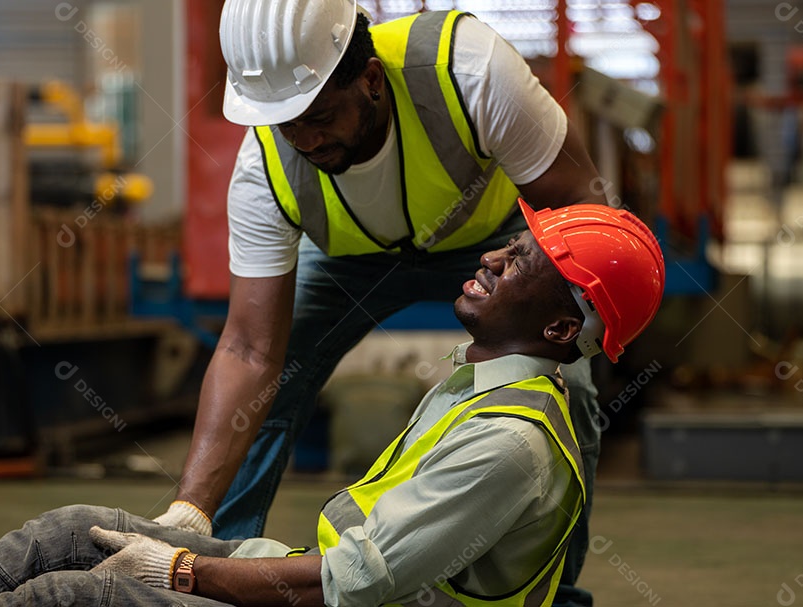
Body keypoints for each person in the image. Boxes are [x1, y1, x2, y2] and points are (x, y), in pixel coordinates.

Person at [0, 203, 664, 607]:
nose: (491, 254)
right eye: (509, 242)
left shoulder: (510, 443)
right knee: (67, 530)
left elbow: (346, 584)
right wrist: (197, 537)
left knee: (79, 595)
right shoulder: (480, 379)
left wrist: (182, 569)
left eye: (522, 259)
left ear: (562, 326)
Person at [161, 3, 609, 604]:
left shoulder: (467, 70)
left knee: (568, 388)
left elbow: (579, 214)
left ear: (371, 78)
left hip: (489, 240)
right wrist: (188, 508)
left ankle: (554, 591)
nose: (304, 139)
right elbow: (248, 348)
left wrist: (575, 330)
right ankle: (212, 575)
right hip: (350, 262)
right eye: (284, 124)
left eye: (319, 116)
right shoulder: (264, 169)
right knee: (274, 383)